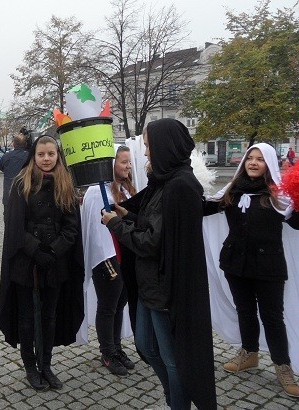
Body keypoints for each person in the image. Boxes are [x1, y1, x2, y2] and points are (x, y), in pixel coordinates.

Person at [102, 119, 216, 409]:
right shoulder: (164, 182)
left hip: (166, 289)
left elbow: (151, 242)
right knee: (145, 346)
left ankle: (177, 403)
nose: (147, 154)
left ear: (165, 146)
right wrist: (127, 215)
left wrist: (116, 225)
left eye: (150, 147)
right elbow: (153, 224)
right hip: (150, 285)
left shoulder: (179, 186)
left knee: (171, 359)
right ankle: (172, 397)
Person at [205, 143, 299, 398]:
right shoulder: (232, 191)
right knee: (244, 310)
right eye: (250, 158)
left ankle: (283, 366)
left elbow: (297, 224)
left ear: (268, 163)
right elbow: (205, 208)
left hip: (269, 265)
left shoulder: (279, 195)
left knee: (272, 317)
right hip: (236, 262)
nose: (253, 163)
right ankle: (250, 353)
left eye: (260, 159)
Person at [0, 135, 84, 392]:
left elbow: (72, 227)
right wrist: (36, 250)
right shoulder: (20, 183)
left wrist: (55, 251)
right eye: (41, 154)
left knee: (49, 316)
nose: (46, 159)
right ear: (33, 156)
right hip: (26, 263)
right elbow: (14, 223)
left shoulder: (66, 183)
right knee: (27, 318)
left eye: (51, 154)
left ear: (57, 155)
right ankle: (30, 367)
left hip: (56, 263)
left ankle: (46, 365)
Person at [81, 145, 136, 376]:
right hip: (106, 257)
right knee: (107, 305)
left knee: (121, 302)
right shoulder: (97, 192)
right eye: (124, 162)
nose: (128, 166)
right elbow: (93, 229)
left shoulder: (126, 189)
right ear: (111, 164)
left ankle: (116, 347)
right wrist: (104, 258)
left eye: (129, 162)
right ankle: (107, 352)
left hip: (125, 255)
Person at [0, 133, 29, 207]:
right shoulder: (29, 156)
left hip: (8, 194)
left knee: (8, 216)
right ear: (25, 144)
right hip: (24, 194)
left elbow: (0, 166)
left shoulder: (6, 156)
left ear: (14, 144)